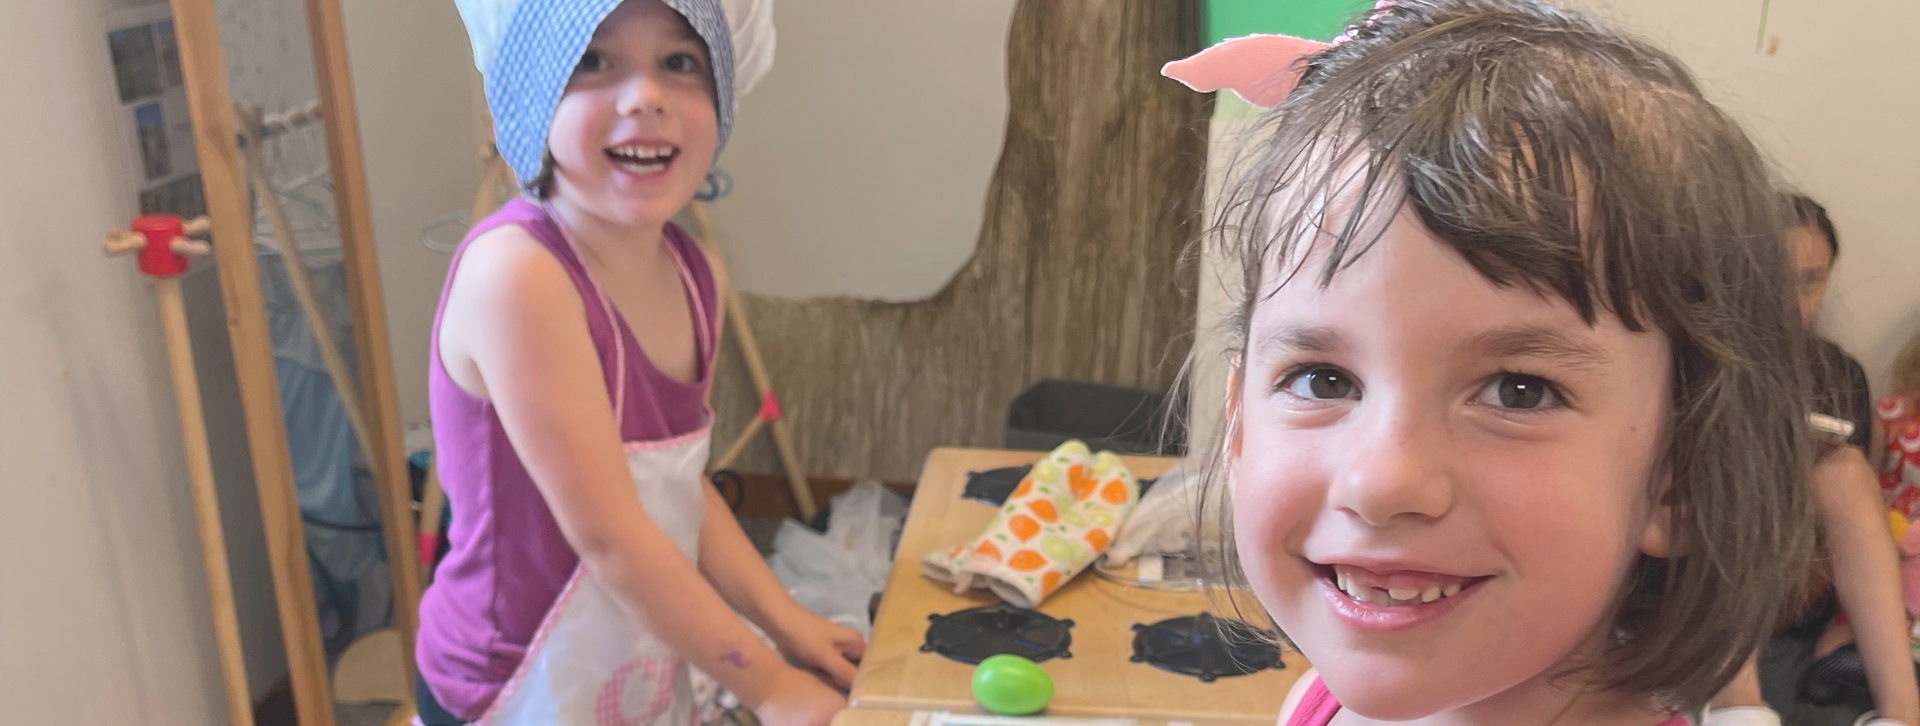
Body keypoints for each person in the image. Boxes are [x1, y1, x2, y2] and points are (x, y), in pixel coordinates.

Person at [1162, 0, 1822, 723]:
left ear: (1683, 478)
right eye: (1323, 380)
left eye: (1518, 391)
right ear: (1239, 428)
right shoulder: (1314, 702)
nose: (1381, 482)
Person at [416, 2, 861, 725]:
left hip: (633, 663)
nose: (645, 95)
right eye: (593, 61)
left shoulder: (695, 274)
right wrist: (771, 685)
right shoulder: (518, 276)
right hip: (508, 688)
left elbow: (678, 494)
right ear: (531, 97)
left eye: (680, 63)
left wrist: (788, 623)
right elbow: (612, 537)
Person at [1708, 194, 1918, 726]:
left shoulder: (1837, 372)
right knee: (1740, 460)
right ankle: (1738, 702)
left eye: (1810, 280)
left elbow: (1865, 509)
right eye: (1775, 276)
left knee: (1846, 471)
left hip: (1803, 562)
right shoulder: (1696, 352)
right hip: (1711, 546)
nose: (1790, 297)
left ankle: (1900, 713)